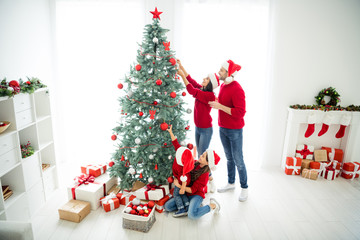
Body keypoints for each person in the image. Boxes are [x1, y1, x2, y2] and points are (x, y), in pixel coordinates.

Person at [209, 59, 248, 202]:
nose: (219, 72)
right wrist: (218, 102)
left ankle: (244, 188)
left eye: (221, 70)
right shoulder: (224, 86)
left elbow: (240, 112)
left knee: (238, 159)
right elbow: (225, 104)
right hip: (223, 128)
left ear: (229, 73)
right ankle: (231, 183)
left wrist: (220, 107)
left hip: (235, 130)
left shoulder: (237, 89)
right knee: (229, 158)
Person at [176, 59, 219, 192]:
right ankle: (208, 179)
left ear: (210, 84)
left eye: (206, 79)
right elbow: (191, 81)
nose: (203, 79)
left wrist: (181, 76)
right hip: (199, 128)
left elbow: (191, 90)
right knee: (200, 155)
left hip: (206, 130)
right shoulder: (202, 88)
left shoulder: (209, 95)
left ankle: (210, 180)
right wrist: (182, 67)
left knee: (202, 156)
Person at [165, 127, 221, 219]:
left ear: (208, 163)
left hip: (195, 194)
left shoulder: (205, 176)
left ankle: (212, 205)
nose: (201, 156)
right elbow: (178, 148)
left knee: (192, 215)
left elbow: (193, 190)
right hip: (185, 194)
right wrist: (171, 133)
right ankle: (190, 206)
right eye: (202, 154)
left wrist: (179, 186)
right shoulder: (194, 162)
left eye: (203, 156)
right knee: (168, 206)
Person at [167, 125, 194, 217]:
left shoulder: (183, 167)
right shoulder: (180, 151)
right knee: (181, 194)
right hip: (180, 179)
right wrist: (171, 132)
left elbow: (184, 179)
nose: (177, 150)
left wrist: (182, 187)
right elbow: (175, 142)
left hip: (182, 181)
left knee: (177, 194)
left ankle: (181, 209)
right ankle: (187, 206)